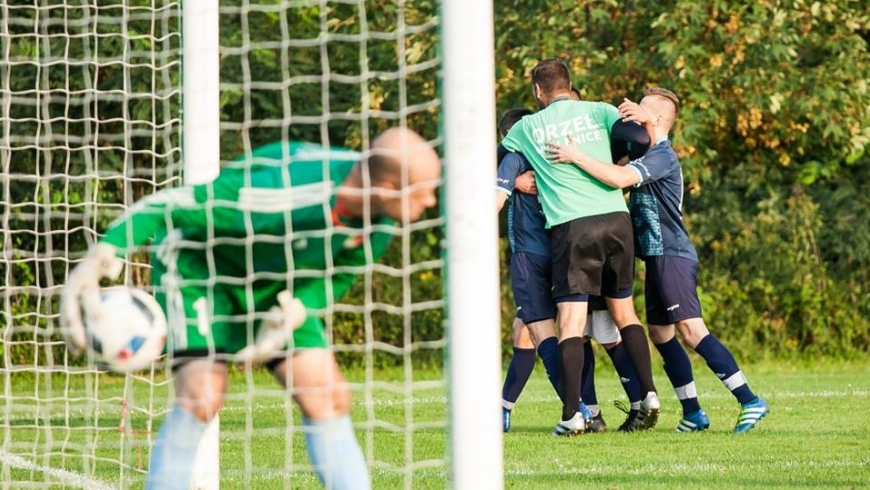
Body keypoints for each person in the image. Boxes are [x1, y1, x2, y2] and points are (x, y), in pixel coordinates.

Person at [59, 127, 442, 489]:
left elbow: (340, 275)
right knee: (202, 397)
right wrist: (104, 253)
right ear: (389, 187)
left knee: (326, 394)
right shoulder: (277, 192)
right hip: (201, 269)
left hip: (276, 284)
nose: (432, 202)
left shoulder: (380, 219)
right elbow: (166, 205)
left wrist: (298, 307)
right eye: (424, 192)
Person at [544, 87, 770, 433]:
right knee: (662, 336)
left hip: (672, 254)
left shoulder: (662, 156)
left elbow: (619, 178)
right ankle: (693, 413)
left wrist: (575, 156)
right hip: (654, 258)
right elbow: (613, 174)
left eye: (639, 109)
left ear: (657, 119)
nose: (629, 111)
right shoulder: (643, 152)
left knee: (692, 331)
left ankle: (749, 400)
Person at [500, 58, 661, 436]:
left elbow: (500, 161)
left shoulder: (527, 126)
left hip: (574, 227)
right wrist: (643, 120)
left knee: (571, 323)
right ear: (570, 84)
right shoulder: (600, 109)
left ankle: (574, 414)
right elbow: (639, 140)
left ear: (538, 91)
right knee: (625, 314)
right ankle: (649, 395)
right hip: (617, 220)